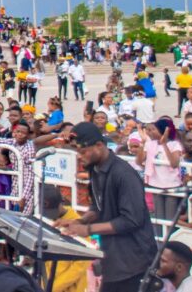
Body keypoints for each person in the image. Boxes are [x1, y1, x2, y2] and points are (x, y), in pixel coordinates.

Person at [57, 121, 156, 292]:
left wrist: (89, 230)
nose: (80, 156)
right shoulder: (95, 170)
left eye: (83, 151)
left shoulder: (123, 174)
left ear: (99, 145)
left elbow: (131, 220)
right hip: (114, 261)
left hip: (134, 263)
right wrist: (80, 222)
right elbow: (97, 207)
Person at [41, 184, 90, 292]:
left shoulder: (78, 224)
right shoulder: (48, 220)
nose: (50, 216)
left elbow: (79, 266)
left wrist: (53, 287)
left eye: (52, 211)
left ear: (60, 204)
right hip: (47, 283)